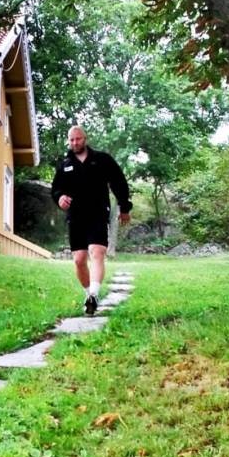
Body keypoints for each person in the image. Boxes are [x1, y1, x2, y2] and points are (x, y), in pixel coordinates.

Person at [51, 125, 131, 315]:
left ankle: (94, 293)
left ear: (85, 139)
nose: (75, 143)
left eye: (78, 139)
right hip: (76, 216)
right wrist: (60, 197)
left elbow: (119, 182)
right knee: (79, 260)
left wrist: (124, 207)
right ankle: (89, 296)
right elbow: (56, 189)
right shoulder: (64, 164)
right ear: (68, 141)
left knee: (97, 252)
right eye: (71, 140)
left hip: (97, 212)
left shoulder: (102, 160)